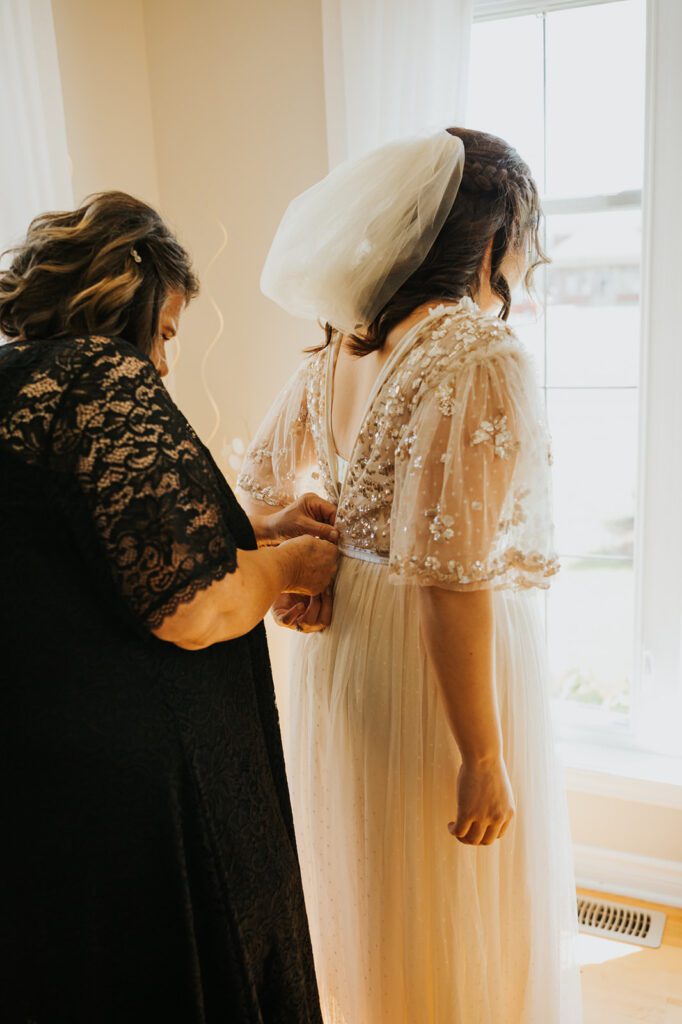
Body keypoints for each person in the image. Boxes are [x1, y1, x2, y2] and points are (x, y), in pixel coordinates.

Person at [237, 128, 584, 1022]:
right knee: (454, 887)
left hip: (351, 650)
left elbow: (262, 484)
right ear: (493, 241)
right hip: (441, 667)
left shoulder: (344, 345)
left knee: (378, 876)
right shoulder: (479, 353)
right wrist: (483, 756)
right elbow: (450, 578)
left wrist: (311, 570)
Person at [0, 191, 338, 1023]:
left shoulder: (16, 385)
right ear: (135, 297)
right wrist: (290, 562)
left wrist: (253, 528)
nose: (164, 361)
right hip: (141, 787)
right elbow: (190, 607)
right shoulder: (100, 375)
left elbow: (79, 544)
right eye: (169, 331)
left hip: (43, 770)